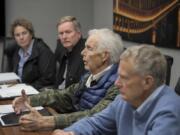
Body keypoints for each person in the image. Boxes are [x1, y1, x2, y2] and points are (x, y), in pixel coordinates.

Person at [12, 28, 124, 131]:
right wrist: (30, 100)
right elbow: (66, 95)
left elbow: (93, 116)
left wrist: (48, 121)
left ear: (104, 56)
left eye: (89, 48)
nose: (82, 52)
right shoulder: (89, 76)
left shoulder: (119, 85)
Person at [53, 45, 180, 135]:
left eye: (124, 78)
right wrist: (70, 132)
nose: (117, 83)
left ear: (147, 82)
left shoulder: (169, 114)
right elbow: (95, 124)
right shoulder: (125, 99)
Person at [10, 18, 56, 89]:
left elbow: (48, 78)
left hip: (35, 91)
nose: (21, 37)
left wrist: (26, 87)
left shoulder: (43, 50)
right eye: (17, 35)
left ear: (31, 34)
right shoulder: (17, 51)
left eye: (24, 33)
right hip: (19, 89)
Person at [54, 16, 86, 89]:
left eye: (68, 32)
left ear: (78, 34)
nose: (64, 37)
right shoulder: (62, 50)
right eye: (61, 33)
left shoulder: (86, 53)